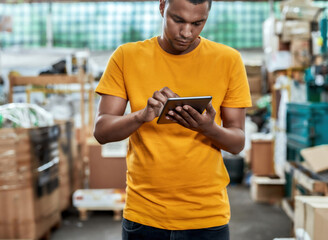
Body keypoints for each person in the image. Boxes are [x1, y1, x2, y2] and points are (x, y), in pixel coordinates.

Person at [93, 0, 252, 239]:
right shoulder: (126, 57)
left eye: (198, 23)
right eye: (178, 20)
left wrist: (208, 128)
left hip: (206, 217)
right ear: (161, 7)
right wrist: (141, 116)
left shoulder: (228, 60)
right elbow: (102, 131)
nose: (187, 32)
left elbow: (237, 143)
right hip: (144, 214)